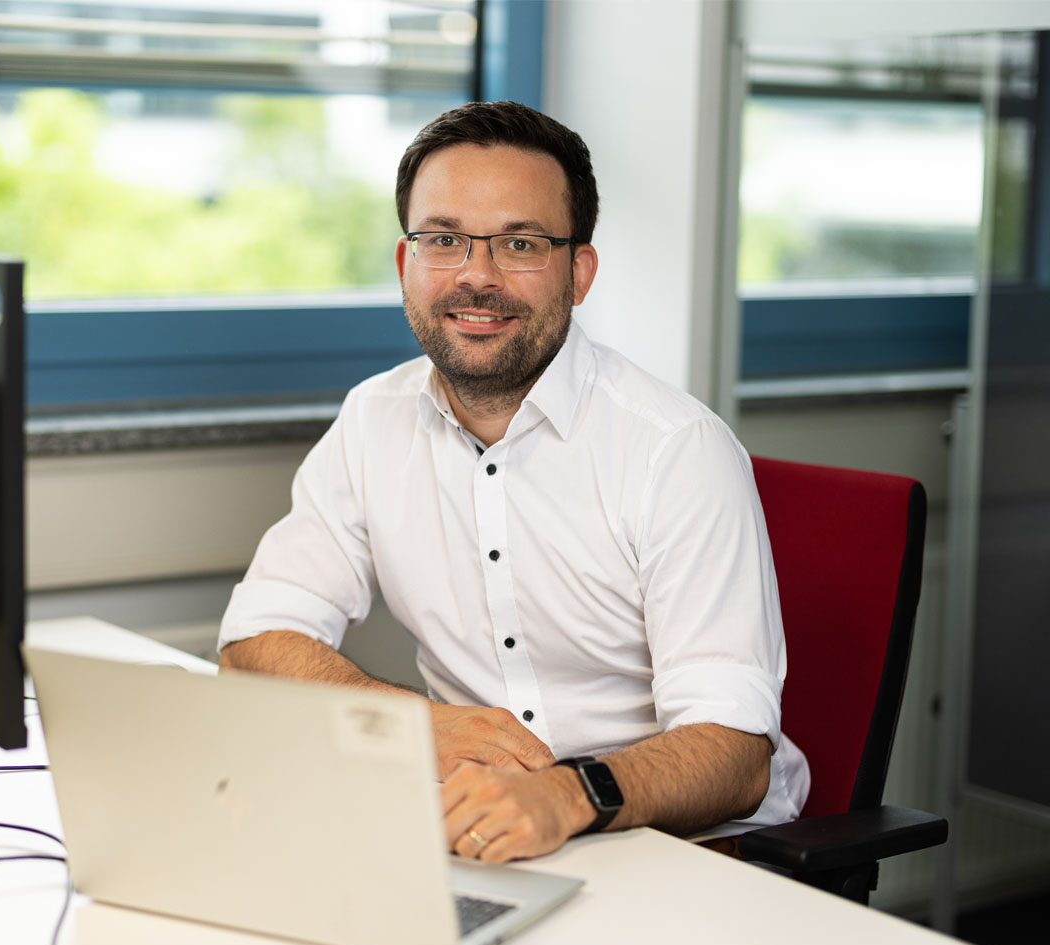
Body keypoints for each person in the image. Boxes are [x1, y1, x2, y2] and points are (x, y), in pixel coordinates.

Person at [218, 100, 809, 863]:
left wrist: (567, 795)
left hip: (684, 849)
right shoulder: (374, 420)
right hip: (479, 836)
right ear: (404, 264)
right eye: (444, 240)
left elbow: (735, 754)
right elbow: (253, 646)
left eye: (520, 244)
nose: (477, 276)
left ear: (579, 272)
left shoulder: (677, 451)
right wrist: (412, 726)